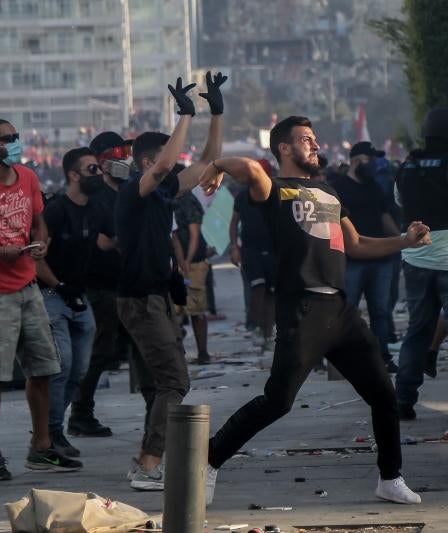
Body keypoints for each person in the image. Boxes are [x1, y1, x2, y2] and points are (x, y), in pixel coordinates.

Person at [199, 115, 429, 506]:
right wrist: (217, 165)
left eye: (315, 139)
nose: (316, 145)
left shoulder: (329, 192)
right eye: (306, 140)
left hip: (340, 310)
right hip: (302, 309)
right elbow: (252, 168)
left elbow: (356, 245)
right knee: (279, 400)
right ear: (285, 149)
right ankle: (208, 458)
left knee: (384, 396)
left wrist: (404, 241)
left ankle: (390, 477)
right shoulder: (275, 190)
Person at [0, 118, 82, 481]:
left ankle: (41, 447)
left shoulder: (28, 179)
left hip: (28, 288)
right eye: (8, 139)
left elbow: (39, 222)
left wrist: (41, 242)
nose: (16, 143)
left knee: (43, 369)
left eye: (17, 137)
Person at [116, 71, 225, 491]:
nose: (175, 163)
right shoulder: (134, 191)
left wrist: (215, 112)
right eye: (166, 158)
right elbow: (165, 164)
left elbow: (208, 163)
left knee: (158, 386)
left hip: (154, 298)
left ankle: (146, 461)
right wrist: (184, 113)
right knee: (176, 381)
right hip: (140, 300)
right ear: (147, 163)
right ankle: (149, 465)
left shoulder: (162, 193)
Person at [36, 147, 114, 457]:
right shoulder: (56, 210)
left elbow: (110, 241)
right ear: (73, 175)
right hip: (52, 295)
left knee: (80, 369)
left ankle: (57, 425)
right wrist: (59, 285)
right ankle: (51, 433)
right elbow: (36, 257)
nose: (98, 174)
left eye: (98, 168)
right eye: (92, 169)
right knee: (62, 365)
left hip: (79, 296)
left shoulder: (97, 209)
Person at [68, 132, 139, 438]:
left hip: (128, 282)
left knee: (142, 346)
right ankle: (80, 412)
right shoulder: (95, 197)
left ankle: (160, 411)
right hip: (100, 285)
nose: (124, 159)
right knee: (101, 351)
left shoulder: (128, 190)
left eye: (126, 153)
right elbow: (102, 242)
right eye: (116, 154)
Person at [394, 108, 448, 420]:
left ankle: (403, 399)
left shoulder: (409, 165)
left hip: (415, 257)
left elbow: (400, 201)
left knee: (417, 330)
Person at [332, 142, 400, 373]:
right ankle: (343, 359)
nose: (371, 165)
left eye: (373, 160)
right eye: (367, 159)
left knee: (381, 312)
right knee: (347, 310)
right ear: (355, 161)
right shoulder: (338, 187)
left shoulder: (374, 186)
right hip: (351, 260)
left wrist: (402, 242)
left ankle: (382, 357)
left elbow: (384, 217)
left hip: (380, 258)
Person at [229, 181, 278, 352]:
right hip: (251, 250)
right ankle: (256, 327)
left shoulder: (275, 193)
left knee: (271, 293)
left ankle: (268, 333)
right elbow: (234, 222)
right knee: (258, 288)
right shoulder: (243, 196)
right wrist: (234, 246)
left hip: (273, 250)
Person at [174, 190, 213, 363]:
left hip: (194, 262)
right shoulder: (168, 199)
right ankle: (179, 354)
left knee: (196, 308)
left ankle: (202, 353)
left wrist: (186, 261)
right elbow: (173, 235)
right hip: (179, 262)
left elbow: (194, 233)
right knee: (177, 311)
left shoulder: (186, 200)